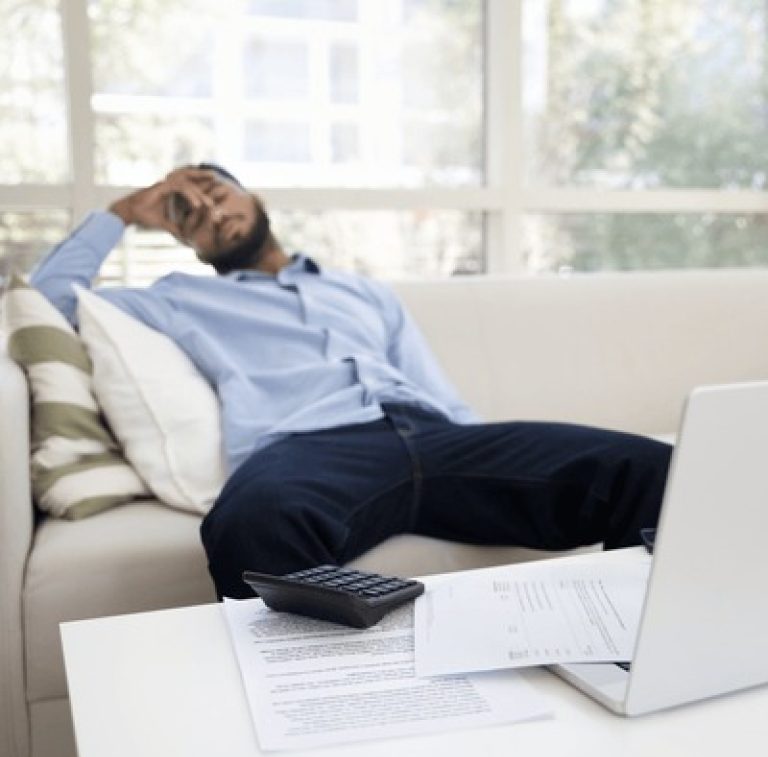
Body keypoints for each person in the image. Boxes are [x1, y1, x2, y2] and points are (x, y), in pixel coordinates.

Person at [32, 164, 672, 599]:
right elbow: (50, 297)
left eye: (217, 193)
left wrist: (490, 458)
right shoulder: (178, 298)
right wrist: (122, 212)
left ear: (254, 198)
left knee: (654, 470)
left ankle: (623, 654)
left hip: (434, 437)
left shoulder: (362, 291)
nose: (211, 212)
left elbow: (431, 386)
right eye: (188, 215)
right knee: (251, 524)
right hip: (310, 449)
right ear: (185, 242)